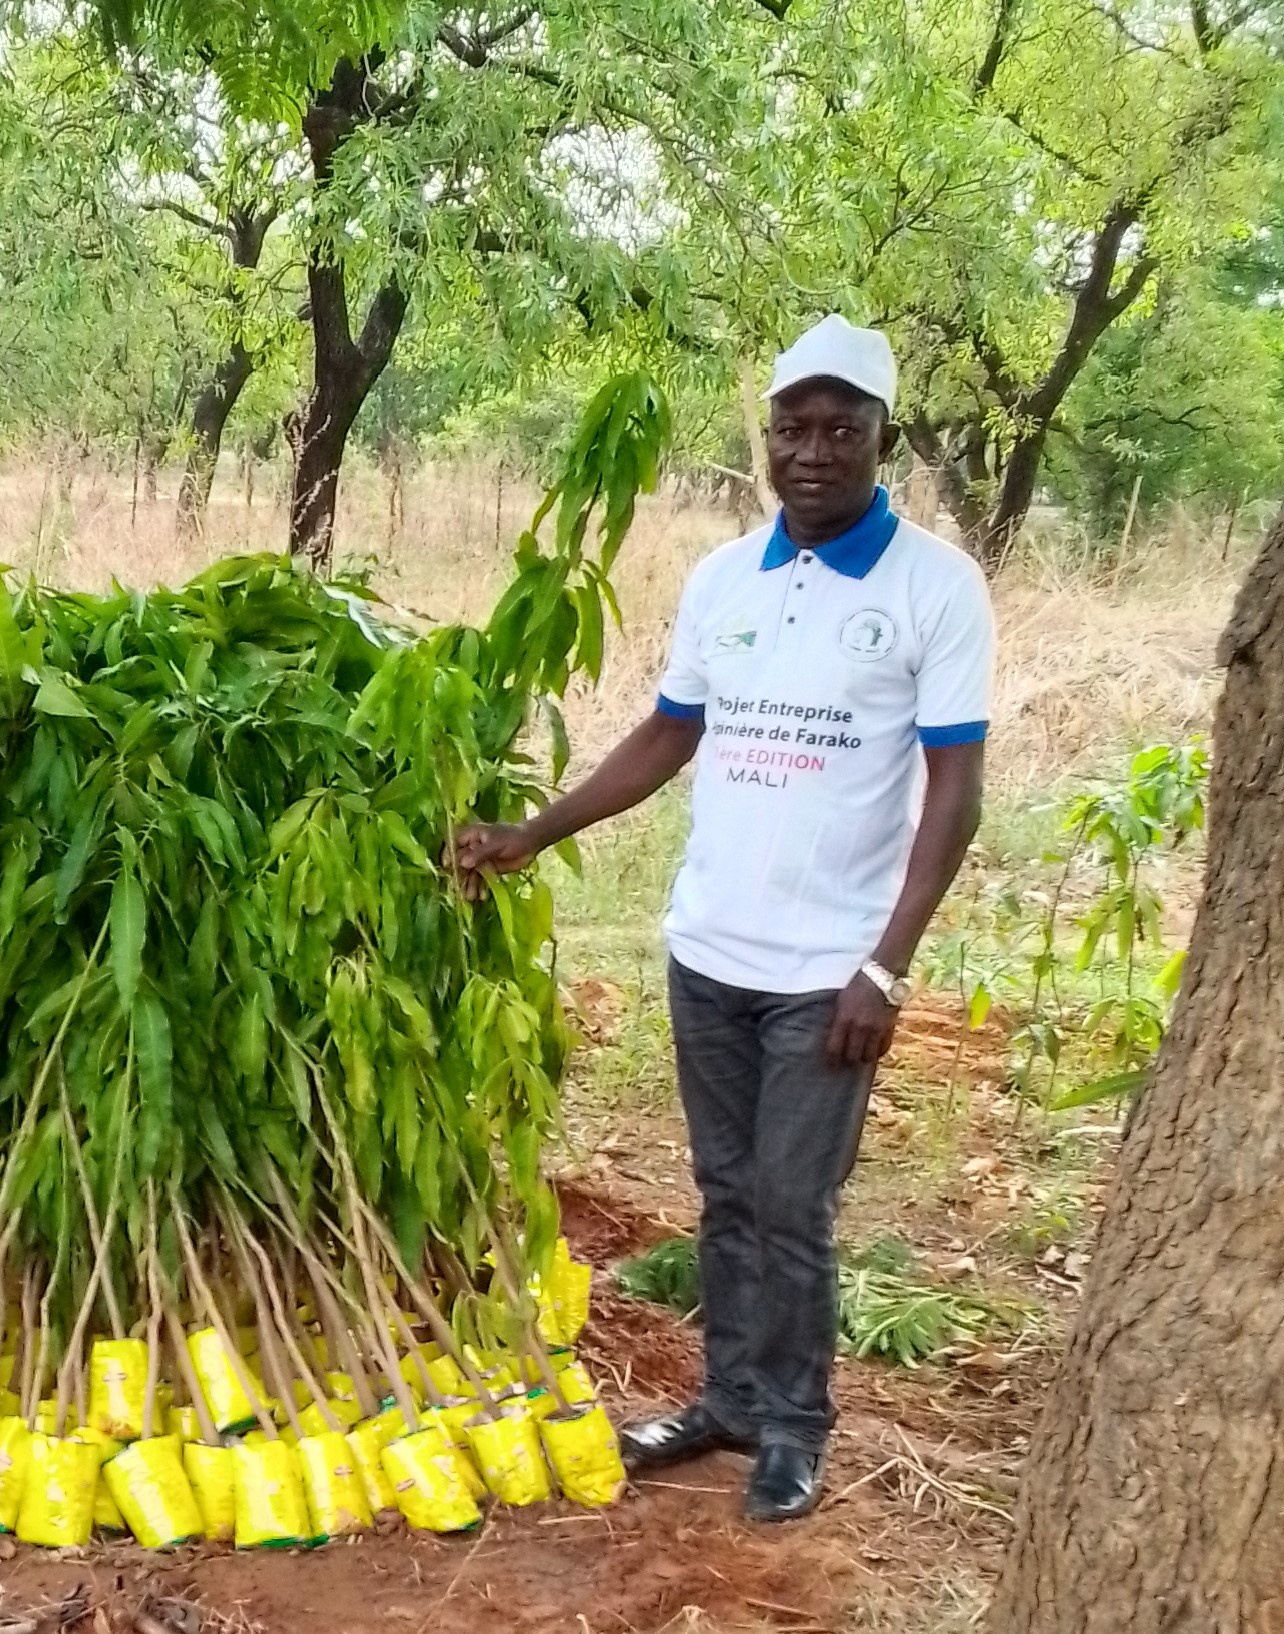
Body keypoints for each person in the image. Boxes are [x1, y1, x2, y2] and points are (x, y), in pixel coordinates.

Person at [452, 314, 993, 1522]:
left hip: (829, 969)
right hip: (709, 948)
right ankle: (732, 1399)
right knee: (727, 1189)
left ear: (881, 439)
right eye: (792, 428)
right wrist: (532, 829)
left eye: (839, 429)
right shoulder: (722, 580)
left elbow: (955, 791)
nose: (812, 451)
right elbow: (667, 735)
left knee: (796, 1205)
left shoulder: (936, 590)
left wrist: (887, 967)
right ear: (768, 438)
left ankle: (797, 1424)